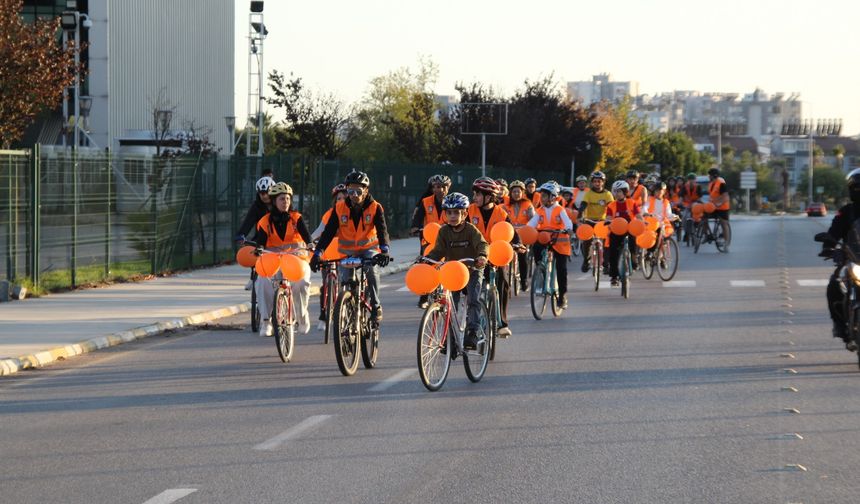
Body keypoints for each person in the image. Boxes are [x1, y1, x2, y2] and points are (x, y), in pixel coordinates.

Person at [311, 170, 391, 323]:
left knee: (371, 272)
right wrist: (317, 254)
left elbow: (382, 231)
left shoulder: (375, 207)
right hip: (347, 252)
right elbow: (328, 233)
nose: (354, 194)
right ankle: (348, 311)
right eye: (350, 190)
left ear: (366, 190)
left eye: (358, 191)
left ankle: (375, 305)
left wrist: (385, 251)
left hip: (369, 250)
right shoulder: (339, 207)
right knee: (346, 283)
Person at [424, 192, 489, 350]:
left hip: (473, 269)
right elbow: (438, 251)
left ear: (465, 213)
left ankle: (473, 331)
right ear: (445, 214)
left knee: (473, 298)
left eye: (457, 213)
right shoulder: (444, 231)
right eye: (449, 213)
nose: (453, 216)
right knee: (450, 303)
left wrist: (481, 256)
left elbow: (482, 244)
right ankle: (450, 337)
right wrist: (426, 259)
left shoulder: (471, 230)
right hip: (453, 272)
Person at [253, 182, 313, 337]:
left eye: (287, 199)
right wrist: (259, 248)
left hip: (297, 260)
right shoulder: (265, 221)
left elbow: (306, 236)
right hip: (274, 261)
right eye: (281, 199)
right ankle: (266, 322)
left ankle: (301, 316)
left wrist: (311, 244)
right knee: (262, 280)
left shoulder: (296, 218)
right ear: (274, 201)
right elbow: (261, 240)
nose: (285, 202)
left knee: (301, 282)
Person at [468, 176, 519, 337]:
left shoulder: (501, 213)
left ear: (489, 197)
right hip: (475, 255)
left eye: (477, 194)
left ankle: (502, 323)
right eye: (474, 194)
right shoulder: (469, 211)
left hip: (496, 255)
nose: (474, 197)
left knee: (503, 281)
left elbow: (512, 232)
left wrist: (519, 243)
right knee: (471, 287)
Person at [823, 169, 860, 350]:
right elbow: (834, 232)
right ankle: (839, 325)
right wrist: (829, 246)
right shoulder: (846, 212)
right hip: (852, 259)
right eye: (857, 188)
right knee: (833, 286)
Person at [527, 182, 573, 308]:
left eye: (545, 196)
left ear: (553, 197)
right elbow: (532, 223)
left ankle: (562, 296)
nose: (541, 198)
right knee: (536, 248)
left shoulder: (560, 209)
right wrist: (526, 230)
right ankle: (540, 270)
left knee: (561, 269)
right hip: (544, 238)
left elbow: (568, 223)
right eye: (541, 195)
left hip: (559, 241)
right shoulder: (540, 210)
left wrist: (568, 229)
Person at [410, 174, 451, 308]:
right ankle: (424, 296)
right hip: (428, 240)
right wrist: (415, 227)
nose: (441, 190)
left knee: (448, 264)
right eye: (437, 187)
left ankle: (447, 292)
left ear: (448, 188)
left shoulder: (452, 201)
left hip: (446, 239)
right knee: (426, 265)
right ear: (433, 188)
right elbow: (418, 216)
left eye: (444, 187)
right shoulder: (426, 201)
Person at [311, 183, 347, 331]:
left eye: (345, 197)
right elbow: (319, 231)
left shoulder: (352, 213)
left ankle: (345, 310)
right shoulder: (329, 214)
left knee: (346, 282)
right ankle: (323, 316)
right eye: (339, 198)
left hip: (345, 253)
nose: (342, 200)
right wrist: (309, 241)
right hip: (329, 253)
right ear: (334, 201)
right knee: (326, 283)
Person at [605, 180, 642, 286]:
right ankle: (614, 277)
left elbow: (638, 215)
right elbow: (608, 217)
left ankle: (634, 261)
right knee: (613, 252)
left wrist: (642, 221)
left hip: (630, 228)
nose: (617, 194)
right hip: (616, 230)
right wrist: (608, 221)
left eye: (619, 191)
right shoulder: (611, 205)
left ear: (625, 192)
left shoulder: (632, 203)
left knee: (632, 243)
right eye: (615, 191)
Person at [578, 171, 614, 272]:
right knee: (587, 240)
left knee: (607, 241)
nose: (597, 183)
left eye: (599, 181)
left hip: (603, 221)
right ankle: (586, 261)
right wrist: (580, 216)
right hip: (589, 220)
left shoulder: (608, 194)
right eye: (595, 181)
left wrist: (611, 219)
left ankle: (606, 264)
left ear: (603, 182)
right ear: (592, 182)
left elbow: (612, 207)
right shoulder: (588, 193)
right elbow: (583, 206)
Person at [505, 180, 536, 291]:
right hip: (509, 234)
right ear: (510, 193)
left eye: (519, 191)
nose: (516, 194)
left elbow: (533, 219)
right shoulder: (505, 205)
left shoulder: (528, 204)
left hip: (523, 235)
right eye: (514, 192)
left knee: (523, 258)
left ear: (523, 192)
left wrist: (531, 230)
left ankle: (523, 281)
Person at [235, 175, 275, 246]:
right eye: (262, 193)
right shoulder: (256, 206)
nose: (265, 196)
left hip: (279, 242)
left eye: (267, 192)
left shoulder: (279, 204)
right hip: (261, 242)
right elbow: (248, 222)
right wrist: (241, 235)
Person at [707, 167, 731, 252]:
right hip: (713, 206)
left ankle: (726, 243)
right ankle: (707, 234)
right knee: (704, 217)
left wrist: (719, 203)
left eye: (709, 175)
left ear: (713, 176)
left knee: (724, 224)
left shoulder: (721, 183)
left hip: (723, 207)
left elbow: (725, 196)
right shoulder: (710, 184)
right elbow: (711, 196)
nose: (708, 176)